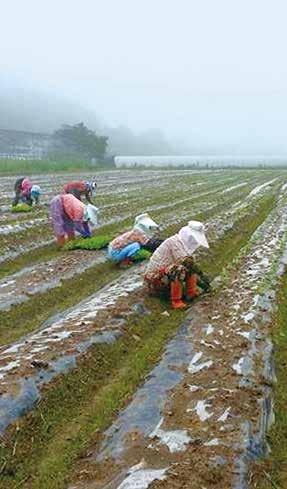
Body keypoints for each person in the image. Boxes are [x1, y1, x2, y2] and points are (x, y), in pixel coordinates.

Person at [144, 220, 210, 309]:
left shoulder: (180, 244)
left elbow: (190, 265)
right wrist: (203, 280)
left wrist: (203, 283)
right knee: (179, 269)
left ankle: (191, 293)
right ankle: (176, 301)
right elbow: (187, 263)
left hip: (165, 276)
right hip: (154, 280)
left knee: (187, 266)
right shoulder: (174, 243)